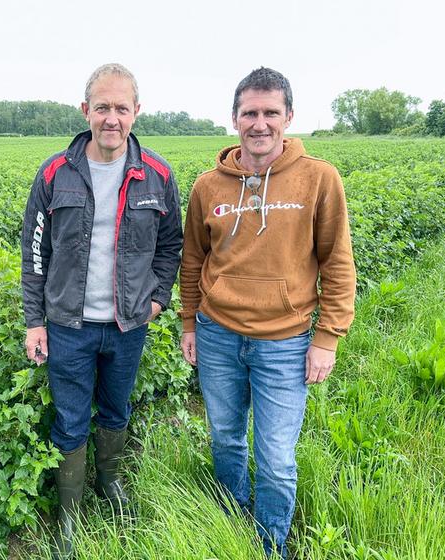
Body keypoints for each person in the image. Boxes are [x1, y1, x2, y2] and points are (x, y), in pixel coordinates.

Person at [178, 67, 356, 559]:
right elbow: (193, 260)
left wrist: (327, 338)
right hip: (217, 336)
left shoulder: (319, 179)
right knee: (226, 438)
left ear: (289, 117)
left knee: (276, 458)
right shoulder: (208, 187)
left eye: (270, 113)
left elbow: (337, 261)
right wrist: (189, 322)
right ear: (234, 119)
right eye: (250, 113)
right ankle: (234, 524)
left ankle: (270, 544)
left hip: (286, 339)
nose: (260, 123)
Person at [21, 63, 182, 557]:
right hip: (68, 324)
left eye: (122, 107)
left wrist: (157, 300)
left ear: (137, 112)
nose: (112, 117)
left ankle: (109, 485)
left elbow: (171, 245)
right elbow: (33, 251)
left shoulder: (157, 174)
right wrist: (33, 321)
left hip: (128, 324)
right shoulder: (54, 172)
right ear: (85, 109)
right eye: (102, 106)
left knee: (115, 409)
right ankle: (69, 516)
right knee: (70, 419)